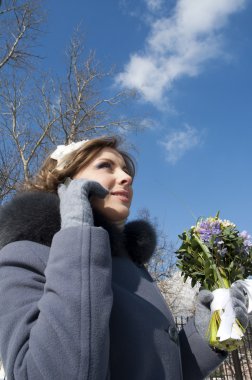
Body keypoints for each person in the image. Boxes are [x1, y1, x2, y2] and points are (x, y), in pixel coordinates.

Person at [0, 136, 249, 380]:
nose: (127, 177)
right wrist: (78, 231)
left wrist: (205, 336)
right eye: (105, 166)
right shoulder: (22, 255)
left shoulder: (132, 268)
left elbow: (160, 368)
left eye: (126, 170)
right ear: (65, 182)